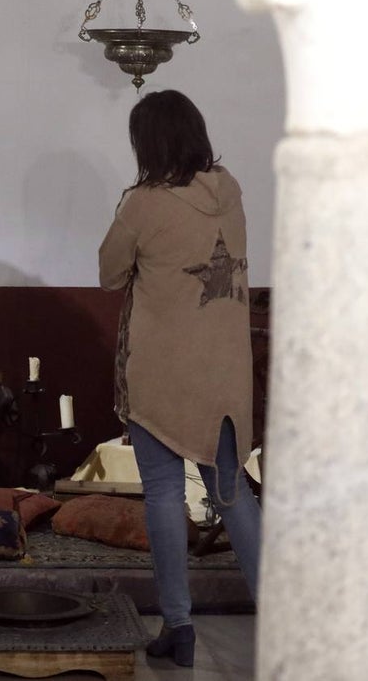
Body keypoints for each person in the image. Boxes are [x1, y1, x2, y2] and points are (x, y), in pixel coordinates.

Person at [97, 90, 262, 667]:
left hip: (163, 375)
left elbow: (108, 273)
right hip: (225, 371)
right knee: (234, 491)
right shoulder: (231, 190)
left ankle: (180, 628)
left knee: (165, 495)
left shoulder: (143, 204)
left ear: (148, 143)